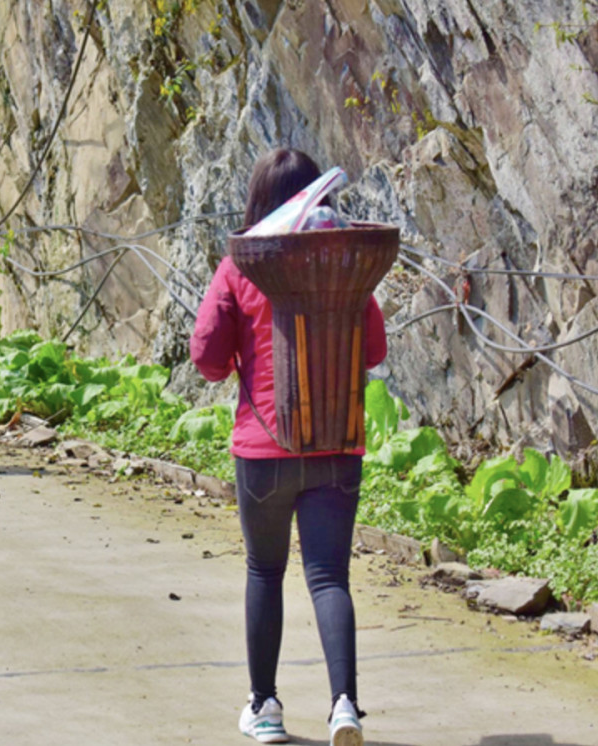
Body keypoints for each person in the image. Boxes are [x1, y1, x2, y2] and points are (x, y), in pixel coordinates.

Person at [189, 149, 387, 746]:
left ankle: (265, 707)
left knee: (264, 571)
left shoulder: (243, 264)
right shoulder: (347, 262)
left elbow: (207, 360)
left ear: (258, 200)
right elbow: (373, 350)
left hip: (264, 450)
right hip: (336, 445)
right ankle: (345, 706)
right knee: (329, 578)